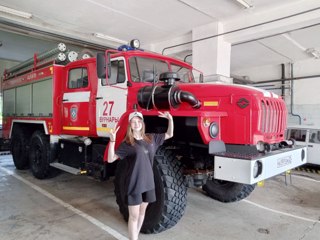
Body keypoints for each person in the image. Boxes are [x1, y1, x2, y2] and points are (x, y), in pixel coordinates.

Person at [107, 111, 173, 240]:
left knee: (142, 212)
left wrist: (170, 120)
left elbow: (169, 134)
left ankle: (135, 237)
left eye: (139, 121)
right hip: (134, 184)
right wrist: (112, 141)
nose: (136, 124)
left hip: (149, 183)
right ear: (130, 125)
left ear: (142, 123)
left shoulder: (151, 138)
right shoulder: (127, 144)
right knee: (134, 216)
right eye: (133, 122)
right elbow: (110, 159)